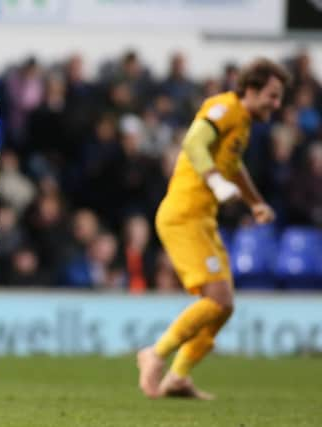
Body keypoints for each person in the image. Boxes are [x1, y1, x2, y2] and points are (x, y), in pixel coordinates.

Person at [137, 58, 290, 399]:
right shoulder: (224, 107)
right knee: (217, 299)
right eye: (272, 95)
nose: (276, 105)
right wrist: (214, 180)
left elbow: (234, 167)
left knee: (225, 305)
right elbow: (193, 143)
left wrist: (255, 203)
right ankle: (155, 353)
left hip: (202, 219)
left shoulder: (245, 123)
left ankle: (178, 377)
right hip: (183, 216)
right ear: (251, 89)